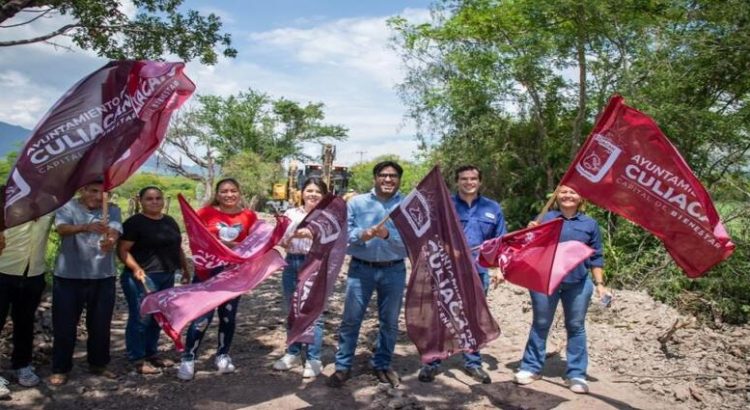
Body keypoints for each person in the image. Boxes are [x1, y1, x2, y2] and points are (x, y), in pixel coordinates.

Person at [513, 185, 610, 394]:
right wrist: (530, 232)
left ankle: (576, 374)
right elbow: (529, 248)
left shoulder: (589, 224)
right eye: (563, 192)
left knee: (575, 326)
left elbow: (596, 257)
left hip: (578, 283)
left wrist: (600, 285)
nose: (568, 196)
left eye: (573, 192)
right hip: (544, 281)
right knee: (540, 323)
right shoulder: (546, 218)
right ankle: (531, 368)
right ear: (557, 196)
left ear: (581, 198)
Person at [418, 165, 506, 384]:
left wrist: (498, 268)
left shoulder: (492, 208)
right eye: (464, 178)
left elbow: (500, 241)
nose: (469, 182)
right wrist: (449, 249)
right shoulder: (444, 206)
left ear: (480, 181)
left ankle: (473, 363)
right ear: (457, 181)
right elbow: (431, 234)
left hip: (478, 272)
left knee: (473, 318)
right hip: (445, 269)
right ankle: (432, 362)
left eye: (473, 178)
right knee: (439, 316)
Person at [327, 161, 406, 388]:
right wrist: (362, 234)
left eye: (393, 176)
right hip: (361, 270)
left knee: (389, 322)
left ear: (399, 179)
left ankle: (382, 364)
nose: (388, 179)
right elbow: (344, 235)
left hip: (394, 270)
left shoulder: (405, 206)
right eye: (383, 175)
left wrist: (386, 236)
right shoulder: (357, 203)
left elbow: (411, 243)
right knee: (351, 320)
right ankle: (343, 366)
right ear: (375, 178)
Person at [177, 178, 258, 381]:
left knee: (228, 317)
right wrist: (219, 245)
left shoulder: (249, 216)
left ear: (239, 192)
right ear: (217, 193)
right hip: (208, 273)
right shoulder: (205, 213)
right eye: (224, 191)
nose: (229, 195)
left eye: (233, 190)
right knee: (202, 317)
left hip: (234, 275)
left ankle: (222, 354)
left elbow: (256, 241)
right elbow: (195, 239)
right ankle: (188, 358)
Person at [50, 181, 122, 386]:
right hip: (68, 276)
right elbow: (61, 229)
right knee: (64, 325)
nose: (99, 197)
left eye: (104, 193)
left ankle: (99, 363)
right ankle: (61, 368)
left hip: (103, 276)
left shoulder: (113, 209)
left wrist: (111, 240)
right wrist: (85, 227)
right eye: (94, 191)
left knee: (100, 324)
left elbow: (115, 230)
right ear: (82, 190)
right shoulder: (68, 206)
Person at [118, 186, 190, 375]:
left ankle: (152, 353)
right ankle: (136, 357)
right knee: (141, 317)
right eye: (149, 199)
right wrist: (136, 269)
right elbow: (122, 250)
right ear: (141, 201)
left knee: (159, 316)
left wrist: (184, 268)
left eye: (158, 198)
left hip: (167, 275)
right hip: (143, 278)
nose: (155, 202)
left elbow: (178, 247)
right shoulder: (134, 223)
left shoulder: (169, 221)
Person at [273, 178, 328, 378]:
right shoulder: (290, 214)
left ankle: (313, 358)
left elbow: (334, 242)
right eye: (309, 190)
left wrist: (311, 235)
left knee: (315, 313)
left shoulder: (327, 217)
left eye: (317, 191)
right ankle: (293, 353)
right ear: (302, 193)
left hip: (315, 264)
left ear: (324, 195)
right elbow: (280, 240)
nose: (313, 194)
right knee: (292, 311)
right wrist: (289, 238)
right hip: (292, 263)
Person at [0, 215, 54, 397]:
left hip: (33, 274)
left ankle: (22, 365)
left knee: (25, 323)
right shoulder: (6, 198)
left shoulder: (50, 205)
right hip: (3, 271)